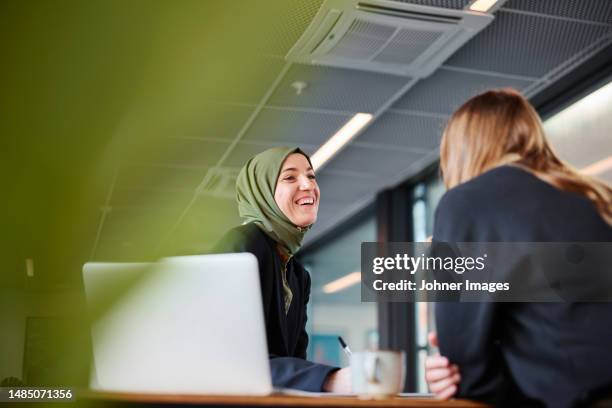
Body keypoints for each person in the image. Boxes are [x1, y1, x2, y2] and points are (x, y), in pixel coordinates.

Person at [424, 89, 612, 407]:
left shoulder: (466, 204)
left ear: (461, 151)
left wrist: (454, 374)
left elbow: (464, 361)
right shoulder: (597, 196)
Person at [215, 146, 351, 392]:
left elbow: (295, 359)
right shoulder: (243, 245)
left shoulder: (298, 274)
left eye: (311, 176)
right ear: (262, 193)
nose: (308, 185)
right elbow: (229, 358)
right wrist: (332, 379)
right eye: (290, 177)